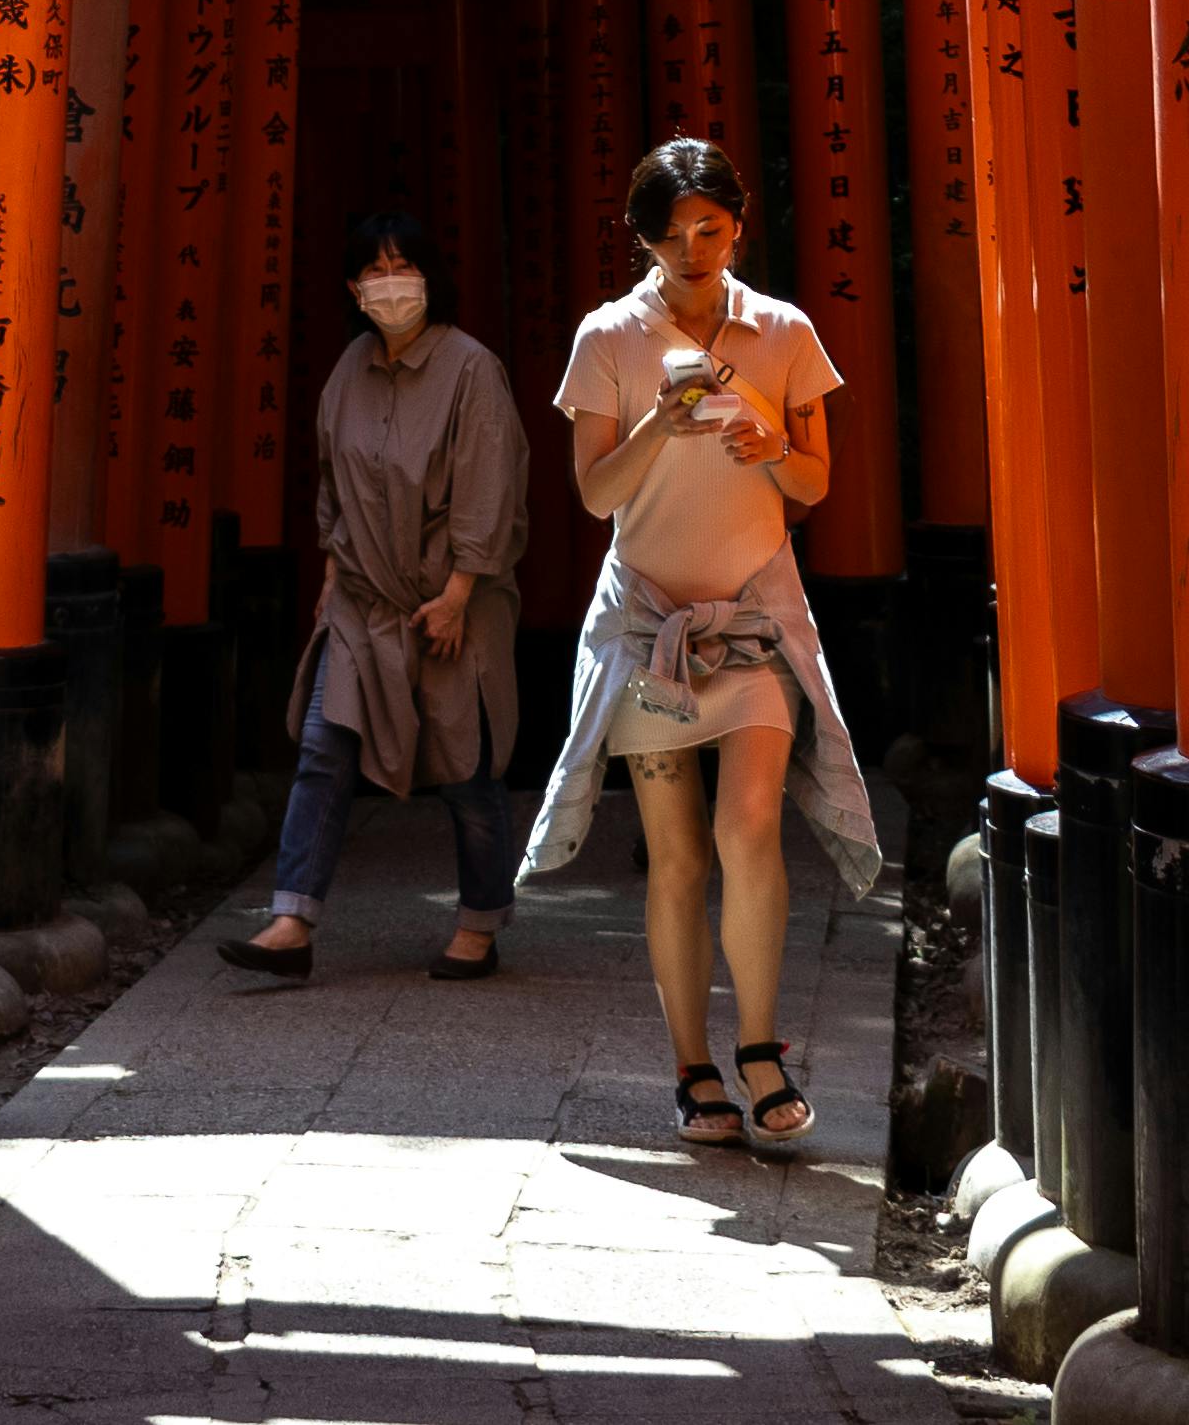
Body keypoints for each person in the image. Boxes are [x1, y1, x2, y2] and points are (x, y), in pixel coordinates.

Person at [522, 136, 882, 1147]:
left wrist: (771, 439)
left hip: (755, 612)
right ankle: (693, 1068)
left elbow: (812, 485)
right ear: (640, 237)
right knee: (676, 855)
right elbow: (593, 492)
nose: (692, 251)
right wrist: (660, 424)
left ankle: (761, 1047)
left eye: (709, 231)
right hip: (650, 622)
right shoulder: (608, 336)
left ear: (737, 227)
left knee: (751, 827)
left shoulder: (782, 331)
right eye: (671, 234)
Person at [218, 212, 532, 983]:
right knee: (324, 747)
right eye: (374, 270)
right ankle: (292, 920)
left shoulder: (471, 368)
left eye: (403, 266)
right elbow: (333, 485)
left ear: (429, 277)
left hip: (452, 599)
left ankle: (481, 921)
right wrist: (329, 587)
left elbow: (490, 489)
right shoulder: (348, 368)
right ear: (353, 287)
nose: (389, 283)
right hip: (360, 599)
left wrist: (460, 592)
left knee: (466, 768)